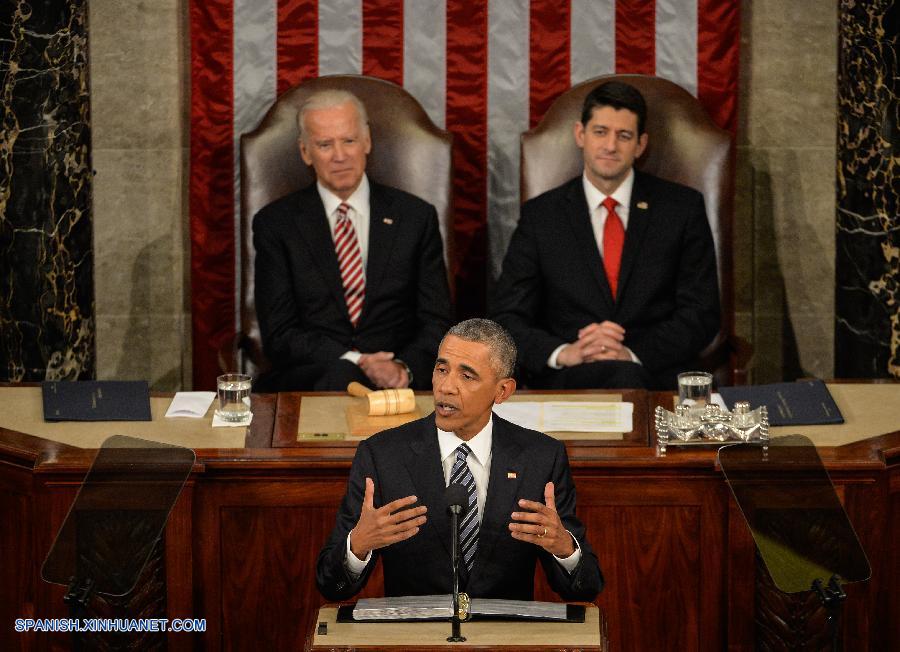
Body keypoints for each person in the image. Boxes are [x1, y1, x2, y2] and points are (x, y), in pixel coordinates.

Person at [316, 319, 603, 601]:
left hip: (501, 640)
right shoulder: (382, 455)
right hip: (417, 640)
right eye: (442, 369)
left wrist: (564, 548)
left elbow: (585, 587)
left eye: (467, 376)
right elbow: (331, 586)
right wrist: (358, 546)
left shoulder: (540, 457)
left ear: (502, 391)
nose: (446, 387)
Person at [491, 81, 720, 390]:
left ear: (640, 145)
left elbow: (701, 312)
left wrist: (632, 355)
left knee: (625, 377)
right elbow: (508, 315)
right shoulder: (541, 215)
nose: (610, 146)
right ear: (580, 135)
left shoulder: (681, 209)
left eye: (623, 136)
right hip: (568, 377)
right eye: (600, 132)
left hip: (655, 374)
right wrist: (563, 353)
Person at [252, 89, 452, 391]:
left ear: (367, 142)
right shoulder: (276, 224)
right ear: (305, 152)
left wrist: (402, 368)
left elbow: (435, 321)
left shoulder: (415, 217)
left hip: (400, 382)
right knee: (341, 377)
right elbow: (280, 334)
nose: (340, 156)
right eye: (324, 144)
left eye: (349, 140)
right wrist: (356, 362)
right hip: (313, 380)